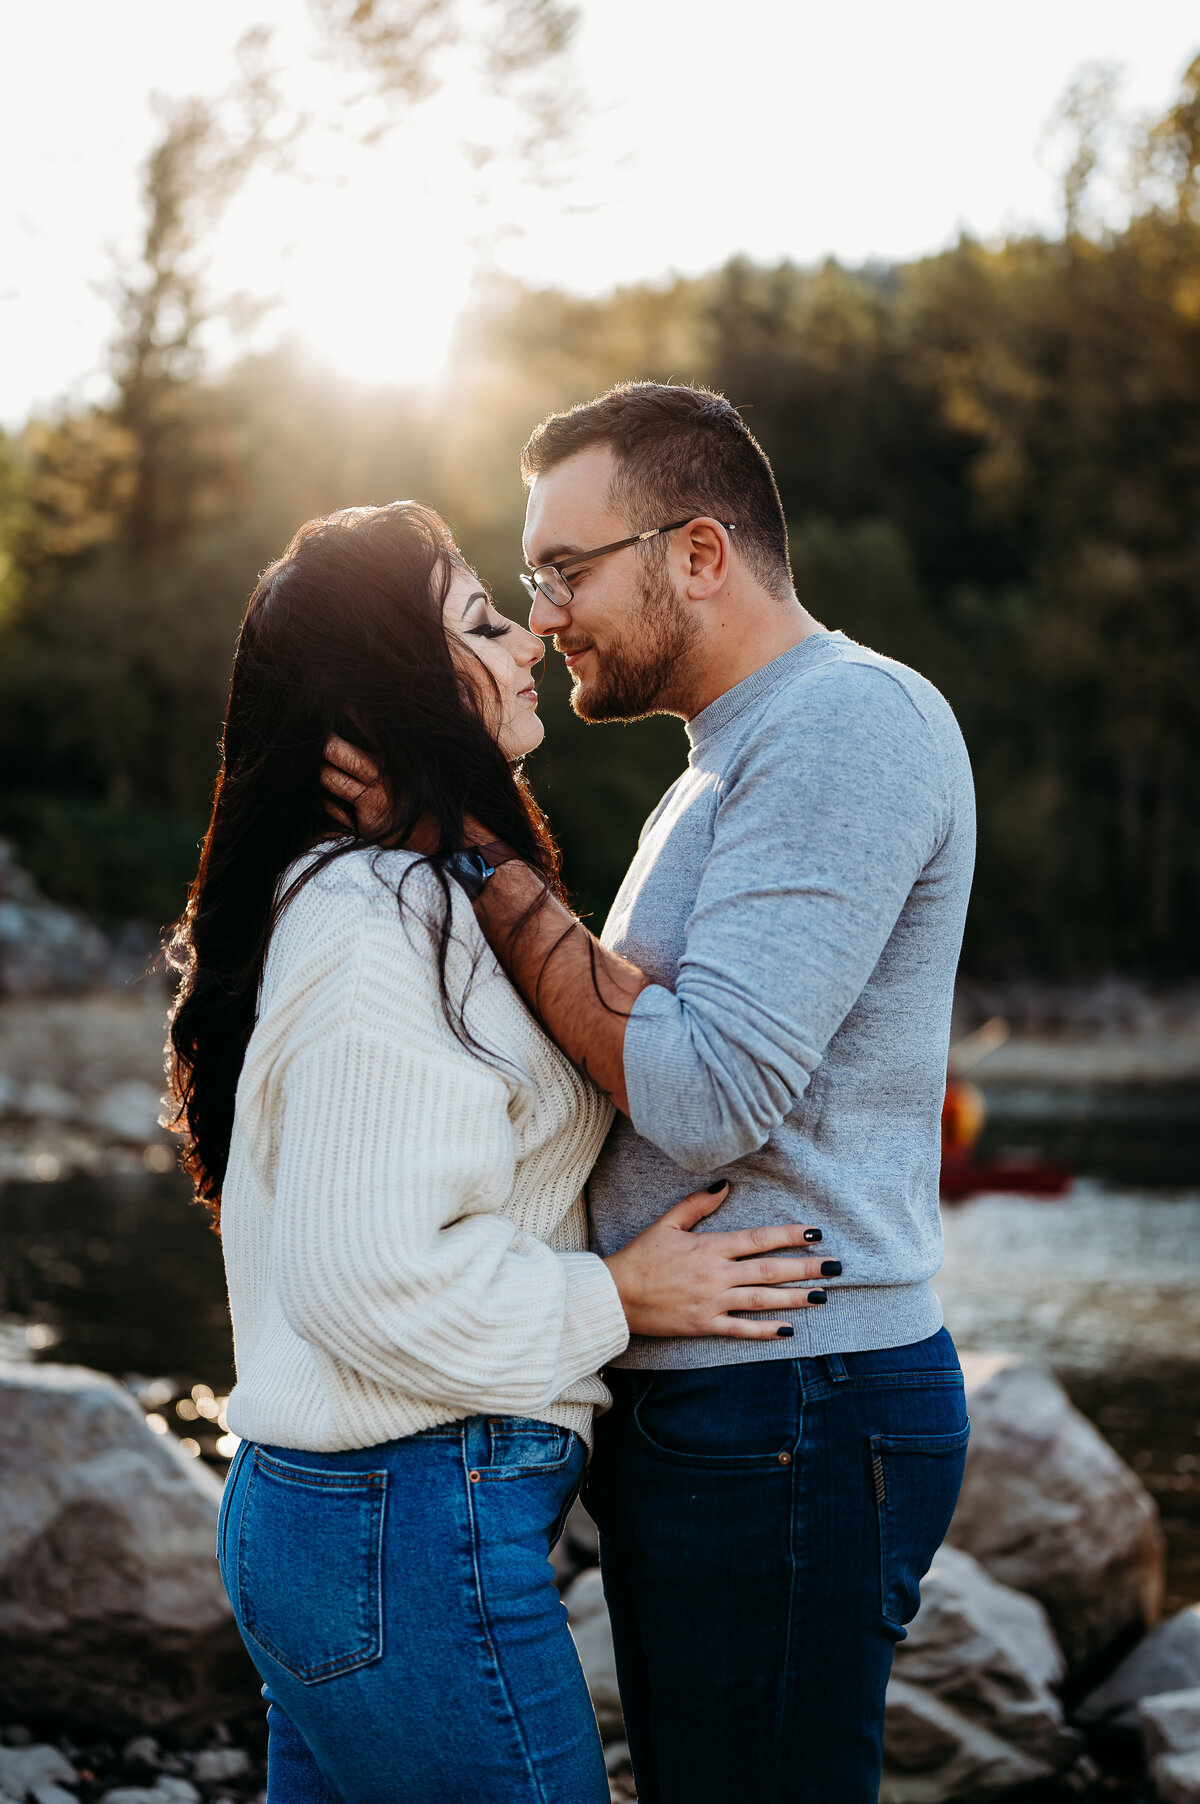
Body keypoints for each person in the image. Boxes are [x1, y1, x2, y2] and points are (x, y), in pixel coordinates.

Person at [325, 383, 977, 1804]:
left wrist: (471, 859)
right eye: (528, 579)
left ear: (696, 553)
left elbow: (705, 1084)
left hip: (791, 1400)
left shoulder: (847, 727)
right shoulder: (724, 763)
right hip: (737, 1403)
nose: (543, 613)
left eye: (566, 570)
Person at [167, 499, 829, 1804]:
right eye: (480, 619)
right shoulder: (374, 920)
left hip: (370, 1523)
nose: (530, 637)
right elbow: (369, 1279)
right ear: (398, 682)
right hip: (402, 1521)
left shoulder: (424, 891)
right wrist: (617, 1296)